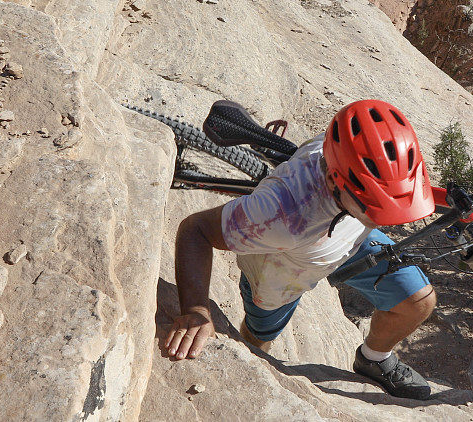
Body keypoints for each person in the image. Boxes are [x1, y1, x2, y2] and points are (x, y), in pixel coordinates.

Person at [165, 99, 437, 400]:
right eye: (374, 205)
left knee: (419, 302)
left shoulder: (354, 156)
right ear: (335, 181)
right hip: (281, 273)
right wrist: (195, 311)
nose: (385, 217)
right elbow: (196, 230)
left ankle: (373, 359)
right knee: (259, 338)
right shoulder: (282, 217)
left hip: (347, 241)